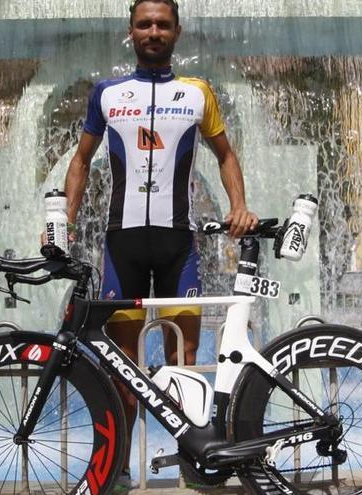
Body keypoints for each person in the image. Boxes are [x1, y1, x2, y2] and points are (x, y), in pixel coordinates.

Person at [62, 0, 258, 486]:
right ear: (131, 30)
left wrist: (239, 205)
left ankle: (196, 470)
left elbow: (226, 156)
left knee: (183, 365)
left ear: (177, 32)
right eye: (145, 24)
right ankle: (119, 475)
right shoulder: (107, 93)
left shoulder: (198, 93)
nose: (154, 31)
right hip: (121, 247)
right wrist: (63, 221)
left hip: (178, 249)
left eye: (163, 24)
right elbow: (81, 161)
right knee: (121, 373)